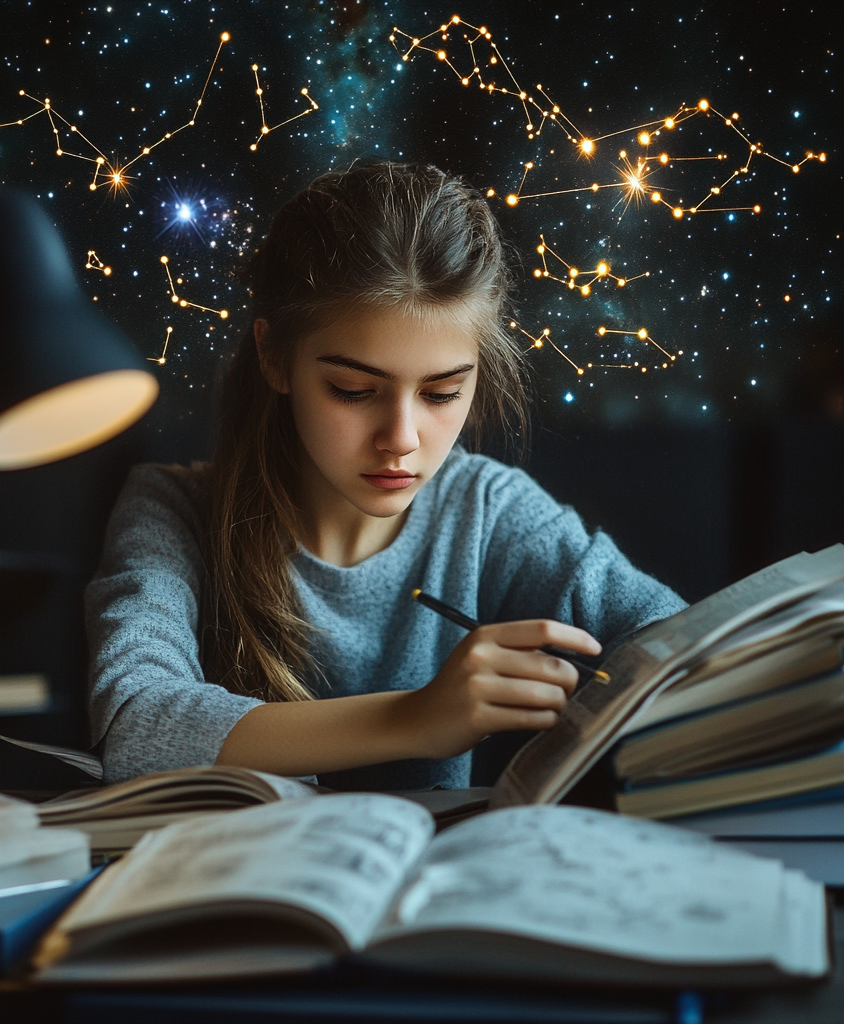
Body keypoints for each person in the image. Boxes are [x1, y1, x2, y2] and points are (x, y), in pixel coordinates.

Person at [87, 162, 685, 788]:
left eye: (442, 392)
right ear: (272, 356)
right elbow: (136, 723)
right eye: (352, 390)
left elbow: (683, 642)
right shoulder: (172, 511)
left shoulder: (486, 509)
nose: (401, 439)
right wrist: (416, 718)